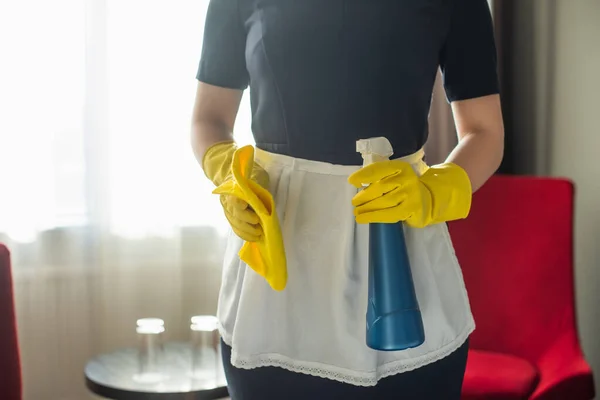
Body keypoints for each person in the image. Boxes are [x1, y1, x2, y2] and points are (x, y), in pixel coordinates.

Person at [190, 0, 504, 398]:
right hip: (277, 276)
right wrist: (227, 169)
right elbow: (207, 119)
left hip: (400, 256)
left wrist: (434, 191)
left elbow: (485, 132)